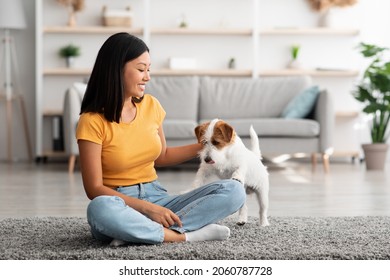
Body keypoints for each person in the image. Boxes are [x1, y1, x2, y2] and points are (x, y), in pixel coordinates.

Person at [76, 32, 246, 246]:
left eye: (148, 69)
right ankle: (183, 235)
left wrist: (211, 145)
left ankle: (136, 232)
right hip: (119, 201)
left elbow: (162, 155)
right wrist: (147, 209)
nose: (147, 77)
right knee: (99, 209)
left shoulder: (151, 106)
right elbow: (94, 189)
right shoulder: (91, 121)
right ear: (116, 69)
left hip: (158, 196)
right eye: (140, 69)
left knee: (234, 190)